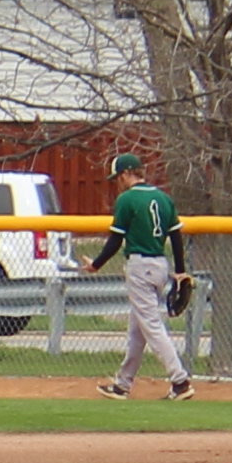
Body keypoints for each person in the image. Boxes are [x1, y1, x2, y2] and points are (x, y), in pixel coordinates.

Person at [91, 166, 192, 399]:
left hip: (140, 266)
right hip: (159, 265)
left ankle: (180, 380)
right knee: (138, 329)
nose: (117, 182)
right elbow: (176, 235)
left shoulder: (127, 199)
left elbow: (116, 239)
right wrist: (180, 270)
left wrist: (96, 264)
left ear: (127, 173)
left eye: (118, 177)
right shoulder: (163, 198)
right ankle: (122, 385)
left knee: (152, 326)